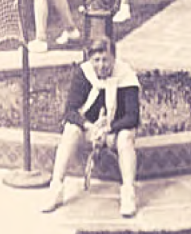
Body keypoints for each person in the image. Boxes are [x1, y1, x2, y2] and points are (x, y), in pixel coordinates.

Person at [42, 37, 140, 217]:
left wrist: (109, 129)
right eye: (96, 60)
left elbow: (133, 117)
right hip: (90, 130)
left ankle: (128, 192)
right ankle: (56, 188)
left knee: (127, 137)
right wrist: (90, 127)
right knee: (71, 129)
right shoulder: (84, 74)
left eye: (106, 60)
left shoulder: (125, 75)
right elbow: (70, 111)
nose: (101, 65)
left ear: (114, 59)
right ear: (89, 59)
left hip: (114, 130)